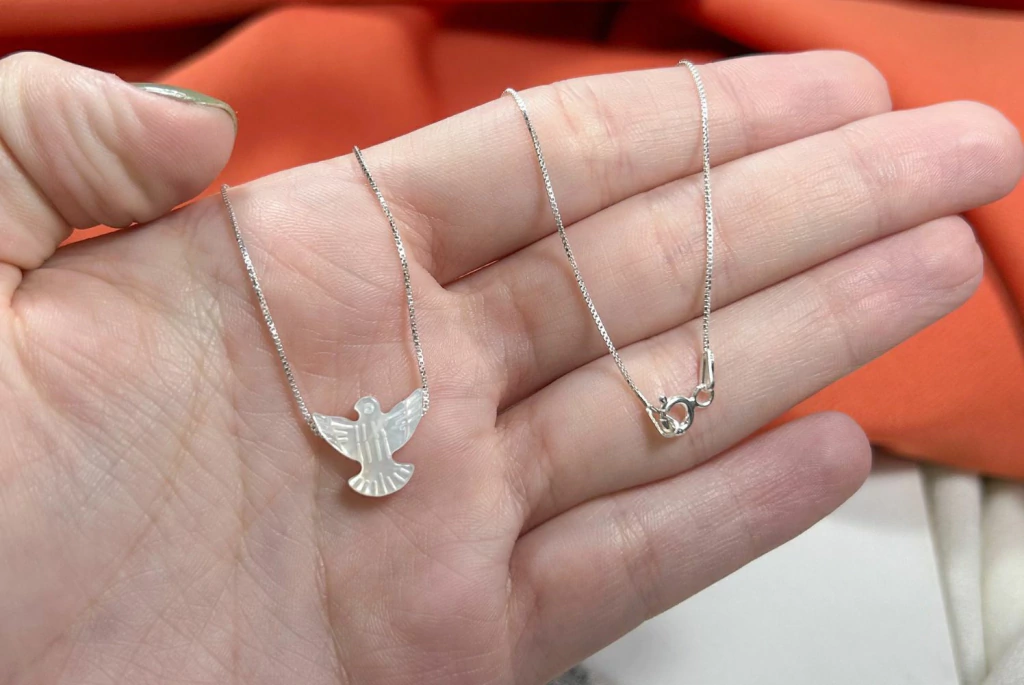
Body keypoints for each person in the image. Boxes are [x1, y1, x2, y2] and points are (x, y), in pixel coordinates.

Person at [0, 50, 1020, 684]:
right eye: (371, 429)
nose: (372, 425)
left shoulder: (368, 419)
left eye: (375, 428)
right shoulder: (355, 422)